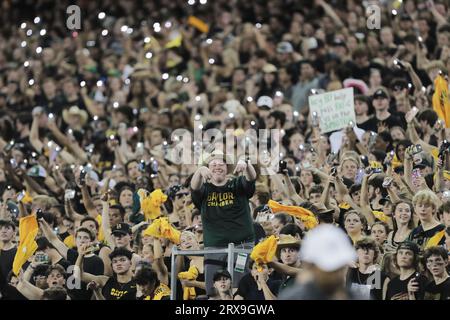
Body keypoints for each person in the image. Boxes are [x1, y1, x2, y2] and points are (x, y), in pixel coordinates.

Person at [191, 150, 257, 295]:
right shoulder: (204, 189)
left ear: (227, 167)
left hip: (242, 245)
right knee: (214, 288)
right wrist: (199, 170)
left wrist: (246, 164)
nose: (217, 166)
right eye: (213, 164)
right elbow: (194, 187)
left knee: (240, 284)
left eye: (221, 163)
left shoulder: (237, 184)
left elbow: (251, 178)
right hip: (214, 247)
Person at [279, 224, 358, 300]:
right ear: (310, 266)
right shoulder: (294, 297)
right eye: (327, 268)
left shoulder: (356, 297)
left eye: (338, 267)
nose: (335, 274)